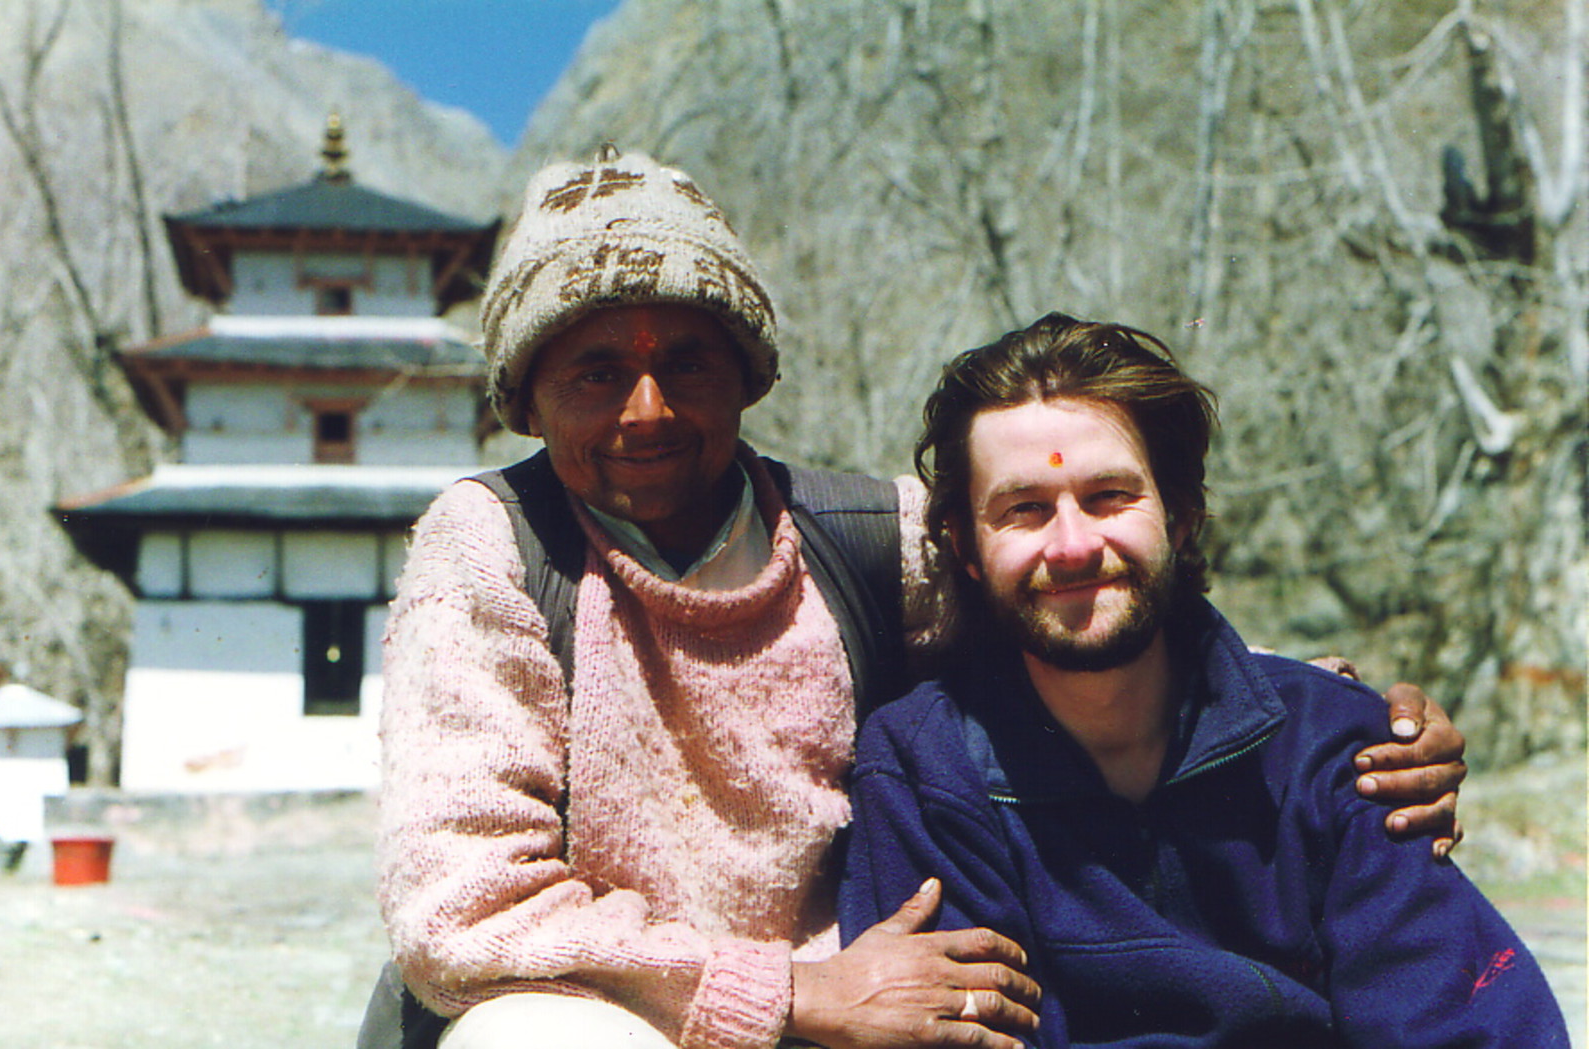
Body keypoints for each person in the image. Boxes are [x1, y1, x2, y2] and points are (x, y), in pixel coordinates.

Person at [371, 148, 1467, 1049]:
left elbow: (1081, 597)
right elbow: (461, 907)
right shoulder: (493, 552)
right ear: (528, 396)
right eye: (596, 370)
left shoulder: (865, 536)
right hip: (621, 1014)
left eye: (689, 362)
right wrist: (794, 995)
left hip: (877, 1006)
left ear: (747, 374)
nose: (647, 409)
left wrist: (1331, 724)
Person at [837, 312, 1566, 1047]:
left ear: (1182, 515)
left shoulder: (1332, 745)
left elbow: (1476, 1026)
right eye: (1025, 509)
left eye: (1109, 497)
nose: (1072, 545)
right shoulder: (924, 771)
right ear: (964, 545)